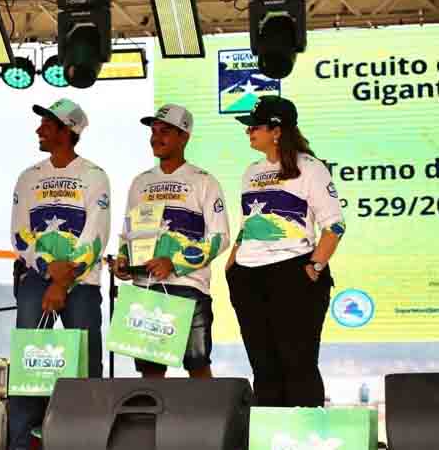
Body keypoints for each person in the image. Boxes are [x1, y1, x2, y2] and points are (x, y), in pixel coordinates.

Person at [225, 95, 345, 407]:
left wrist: (314, 268)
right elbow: (248, 223)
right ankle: (268, 431)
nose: (249, 131)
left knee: (298, 366)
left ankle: (305, 431)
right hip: (248, 277)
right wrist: (232, 263)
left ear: (277, 130)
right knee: (263, 368)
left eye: (255, 126)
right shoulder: (251, 171)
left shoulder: (310, 168)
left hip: (293, 272)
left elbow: (335, 225)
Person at [9, 99, 110, 450]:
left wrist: (63, 280)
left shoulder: (94, 175)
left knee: (85, 368)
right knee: (27, 365)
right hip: (36, 279)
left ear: (67, 131)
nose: (39, 130)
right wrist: (46, 268)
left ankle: (88, 442)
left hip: (81, 282)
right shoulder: (28, 177)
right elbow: (19, 234)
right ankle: (21, 443)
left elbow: (96, 235)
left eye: (47, 125)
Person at [112, 104, 230, 379]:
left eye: (165, 131)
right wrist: (124, 260)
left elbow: (220, 237)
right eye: (153, 131)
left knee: (197, 366)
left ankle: (205, 412)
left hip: (188, 286)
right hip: (145, 286)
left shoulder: (204, 181)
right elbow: (128, 232)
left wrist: (174, 263)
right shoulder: (140, 182)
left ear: (184, 137)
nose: (156, 137)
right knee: (150, 373)